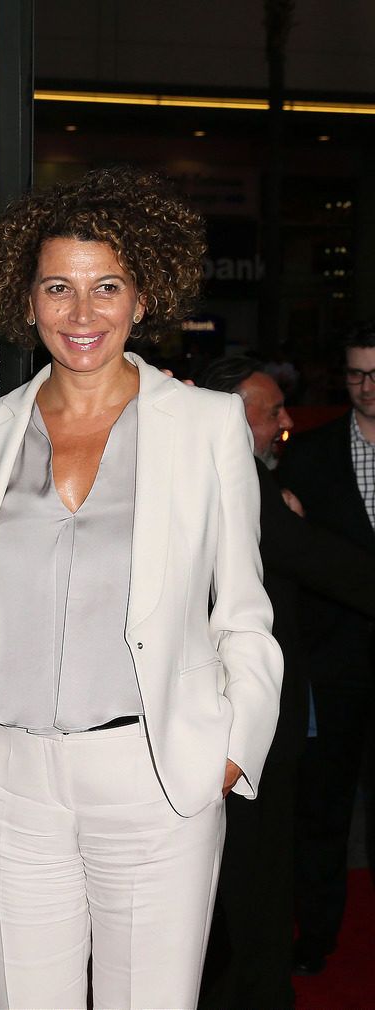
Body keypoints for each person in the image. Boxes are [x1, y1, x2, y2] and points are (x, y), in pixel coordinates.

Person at [0, 166, 283, 1010]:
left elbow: (245, 609)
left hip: (155, 771)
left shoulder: (206, 426)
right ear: (26, 302)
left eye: (107, 287)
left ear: (142, 299)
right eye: (58, 288)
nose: (82, 313)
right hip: (12, 778)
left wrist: (228, 751)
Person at [198, 356, 375, 1009]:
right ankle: (252, 988)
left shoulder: (239, 475)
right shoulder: (235, 478)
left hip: (251, 702)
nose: (286, 423)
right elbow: (314, 559)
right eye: (271, 413)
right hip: (242, 711)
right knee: (255, 860)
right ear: (230, 417)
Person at [278, 321, 375, 976]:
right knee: (322, 814)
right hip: (335, 664)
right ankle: (314, 940)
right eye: (356, 374)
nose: (366, 387)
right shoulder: (309, 456)